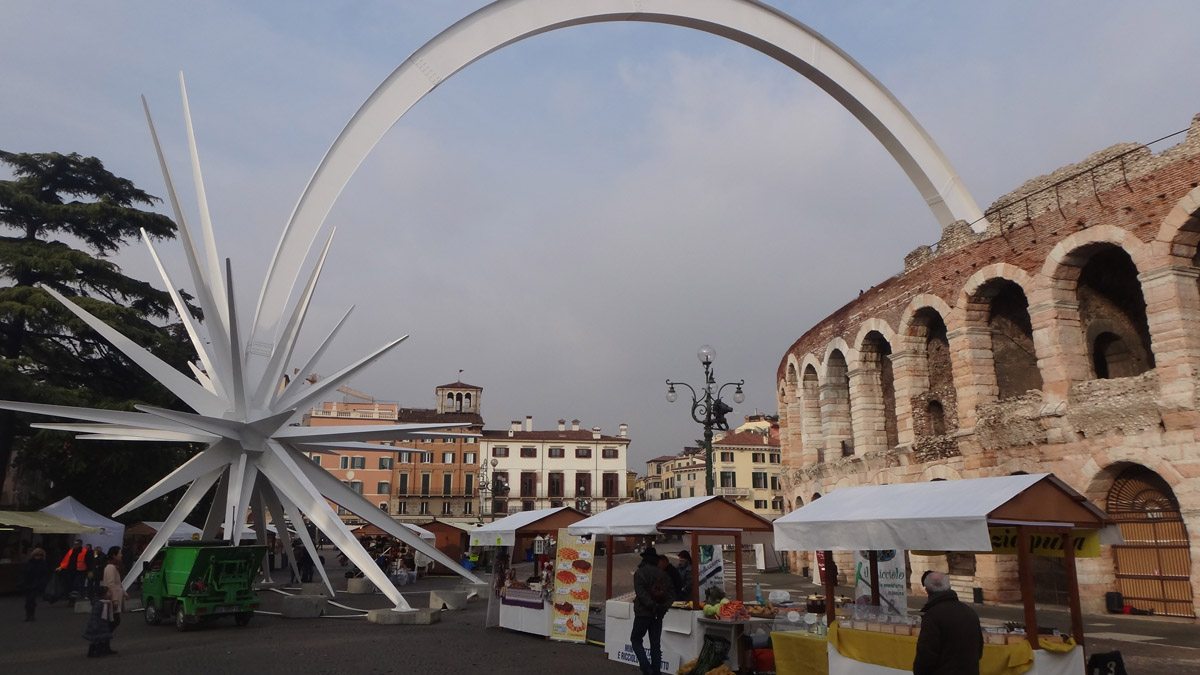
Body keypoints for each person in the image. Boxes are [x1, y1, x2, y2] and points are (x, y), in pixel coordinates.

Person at [913, 570, 983, 675]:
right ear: (949, 586)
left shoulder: (933, 615)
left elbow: (926, 654)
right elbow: (979, 649)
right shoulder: (969, 612)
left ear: (927, 591)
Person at [631, 547, 673, 675]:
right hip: (658, 614)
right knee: (655, 645)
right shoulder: (663, 574)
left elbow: (641, 594)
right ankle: (656, 672)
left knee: (636, 640)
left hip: (643, 613)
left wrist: (652, 605)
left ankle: (646, 668)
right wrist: (662, 608)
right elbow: (671, 594)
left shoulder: (640, 573)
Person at [101, 546, 130, 654]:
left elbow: (117, 583)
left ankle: (105, 643)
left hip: (116, 596)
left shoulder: (115, 567)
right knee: (114, 621)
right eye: (120, 553)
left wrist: (124, 594)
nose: (121, 555)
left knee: (113, 621)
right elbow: (111, 584)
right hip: (113, 599)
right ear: (114, 555)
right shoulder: (111, 567)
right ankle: (104, 642)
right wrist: (114, 600)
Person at [18, 547, 51, 621]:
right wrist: (22, 582)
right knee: (28, 600)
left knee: (31, 599)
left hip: (36, 585)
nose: (38, 556)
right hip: (28, 584)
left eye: (40, 555)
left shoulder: (43, 564)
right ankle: (28, 614)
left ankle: (31, 614)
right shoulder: (28, 563)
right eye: (36, 555)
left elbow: (45, 575)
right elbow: (23, 573)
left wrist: (42, 583)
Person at [82, 587, 114, 657]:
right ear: (103, 594)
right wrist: (95, 624)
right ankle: (97, 652)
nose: (110, 594)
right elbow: (95, 615)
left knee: (99, 639)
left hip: (102, 624)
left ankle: (94, 652)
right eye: (109, 593)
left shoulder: (105, 603)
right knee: (98, 639)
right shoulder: (100, 604)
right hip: (98, 624)